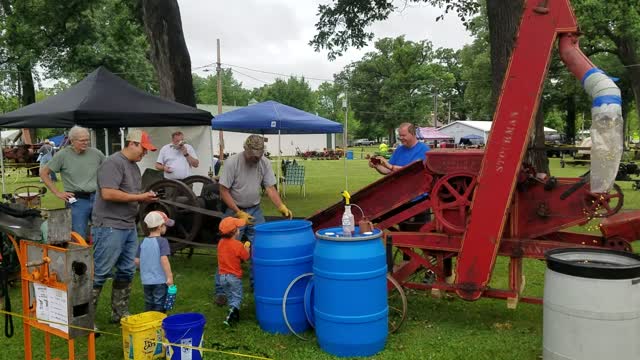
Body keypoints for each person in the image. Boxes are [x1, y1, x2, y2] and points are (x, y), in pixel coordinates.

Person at [214, 134, 293, 306]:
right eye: (253, 156)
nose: (256, 159)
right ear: (246, 150)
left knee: (259, 248)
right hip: (234, 210)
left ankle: (256, 285)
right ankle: (221, 291)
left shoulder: (263, 162)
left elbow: (270, 188)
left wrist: (281, 207)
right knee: (226, 249)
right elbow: (223, 191)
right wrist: (238, 212)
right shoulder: (232, 162)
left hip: (255, 210)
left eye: (259, 155)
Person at [91, 129, 158, 324]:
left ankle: (119, 313)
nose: (145, 153)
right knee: (100, 272)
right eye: (143, 149)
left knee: (127, 270)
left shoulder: (133, 166)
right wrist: (140, 197)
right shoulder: (112, 163)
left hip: (128, 225)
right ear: (132, 144)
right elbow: (108, 194)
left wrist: (147, 197)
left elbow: (131, 193)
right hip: (109, 226)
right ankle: (86, 319)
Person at [40, 126, 106, 240]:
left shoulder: (96, 153)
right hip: (77, 201)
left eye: (87, 139)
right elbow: (44, 173)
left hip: (97, 198)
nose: (86, 143)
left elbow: (110, 170)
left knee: (102, 233)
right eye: (82, 140)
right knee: (79, 236)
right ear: (72, 140)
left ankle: (100, 257)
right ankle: (79, 257)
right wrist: (57, 193)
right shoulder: (62, 155)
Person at [135, 210, 175, 312]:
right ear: (160, 227)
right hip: (160, 280)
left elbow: (136, 261)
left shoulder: (143, 241)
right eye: (165, 225)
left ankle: (149, 321)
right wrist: (170, 277)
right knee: (159, 302)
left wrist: (143, 270)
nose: (166, 228)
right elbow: (164, 259)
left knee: (149, 302)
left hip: (146, 280)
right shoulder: (162, 241)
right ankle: (158, 323)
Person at [217, 216, 250, 326]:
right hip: (234, 277)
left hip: (222, 277)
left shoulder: (221, 243)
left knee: (231, 296)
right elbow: (245, 257)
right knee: (237, 297)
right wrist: (247, 248)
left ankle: (235, 316)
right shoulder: (238, 245)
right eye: (238, 228)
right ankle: (230, 316)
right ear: (235, 232)